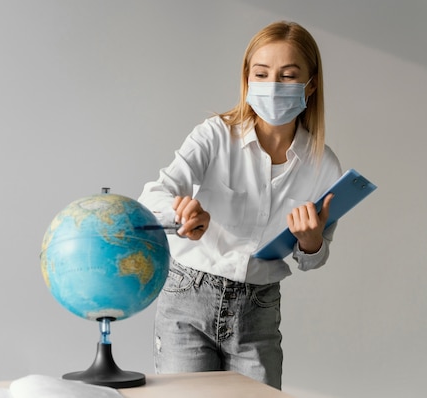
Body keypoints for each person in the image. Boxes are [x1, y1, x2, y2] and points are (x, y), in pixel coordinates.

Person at [138, 20, 342, 389]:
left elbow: (313, 257)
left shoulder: (322, 164)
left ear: (310, 85)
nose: (273, 86)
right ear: (247, 79)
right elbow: (151, 197)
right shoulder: (215, 135)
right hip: (189, 296)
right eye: (261, 74)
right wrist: (182, 214)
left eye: (288, 75)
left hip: (258, 309)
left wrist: (311, 240)